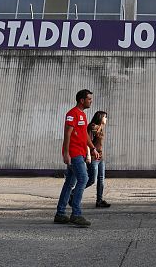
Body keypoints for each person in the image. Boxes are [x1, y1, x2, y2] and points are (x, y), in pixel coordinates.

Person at [54, 89, 99, 227]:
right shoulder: (72, 114)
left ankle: (60, 214)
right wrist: (66, 153)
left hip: (80, 152)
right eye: (89, 99)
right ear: (82, 100)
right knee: (84, 179)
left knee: (69, 183)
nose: (91, 101)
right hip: (74, 154)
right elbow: (67, 134)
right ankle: (76, 214)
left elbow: (84, 135)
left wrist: (92, 148)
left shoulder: (83, 115)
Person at [85, 111, 111, 208]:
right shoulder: (92, 127)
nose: (106, 119)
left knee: (101, 179)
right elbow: (87, 142)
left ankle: (99, 201)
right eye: (105, 117)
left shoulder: (100, 128)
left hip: (100, 157)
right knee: (92, 179)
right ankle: (73, 193)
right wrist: (88, 155)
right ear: (100, 117)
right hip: (93, 157)